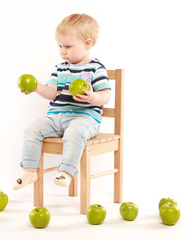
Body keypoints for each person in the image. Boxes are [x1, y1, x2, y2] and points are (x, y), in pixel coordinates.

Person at [13, 13, 111, 190]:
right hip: (56, 117)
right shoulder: (60, 68)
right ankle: (29, 171)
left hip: (85, 118)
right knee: (32, 129)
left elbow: (106, 95)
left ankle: (66, 172)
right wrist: (36, 86)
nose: (62, 51)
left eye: (67, 46)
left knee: (75, 132)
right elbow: (52, 93)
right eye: (59, 46)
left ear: (88, 44)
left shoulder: (96, 68)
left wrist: (93, 97)